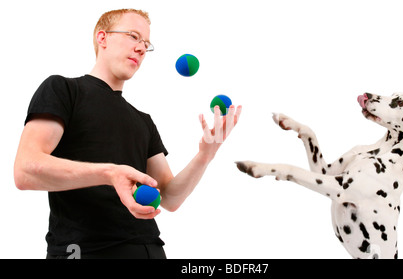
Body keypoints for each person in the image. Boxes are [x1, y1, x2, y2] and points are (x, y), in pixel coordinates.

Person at [13, 8, 242, 259]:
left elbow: (169, 197)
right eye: (133, 36)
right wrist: (110, 174)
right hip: (84, 250)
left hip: (150, 250)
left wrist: (205, 155)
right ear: (103, 38)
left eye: (146, 43)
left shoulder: (143, 121)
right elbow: (25, 170)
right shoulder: (64, 90)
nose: (142, 48)